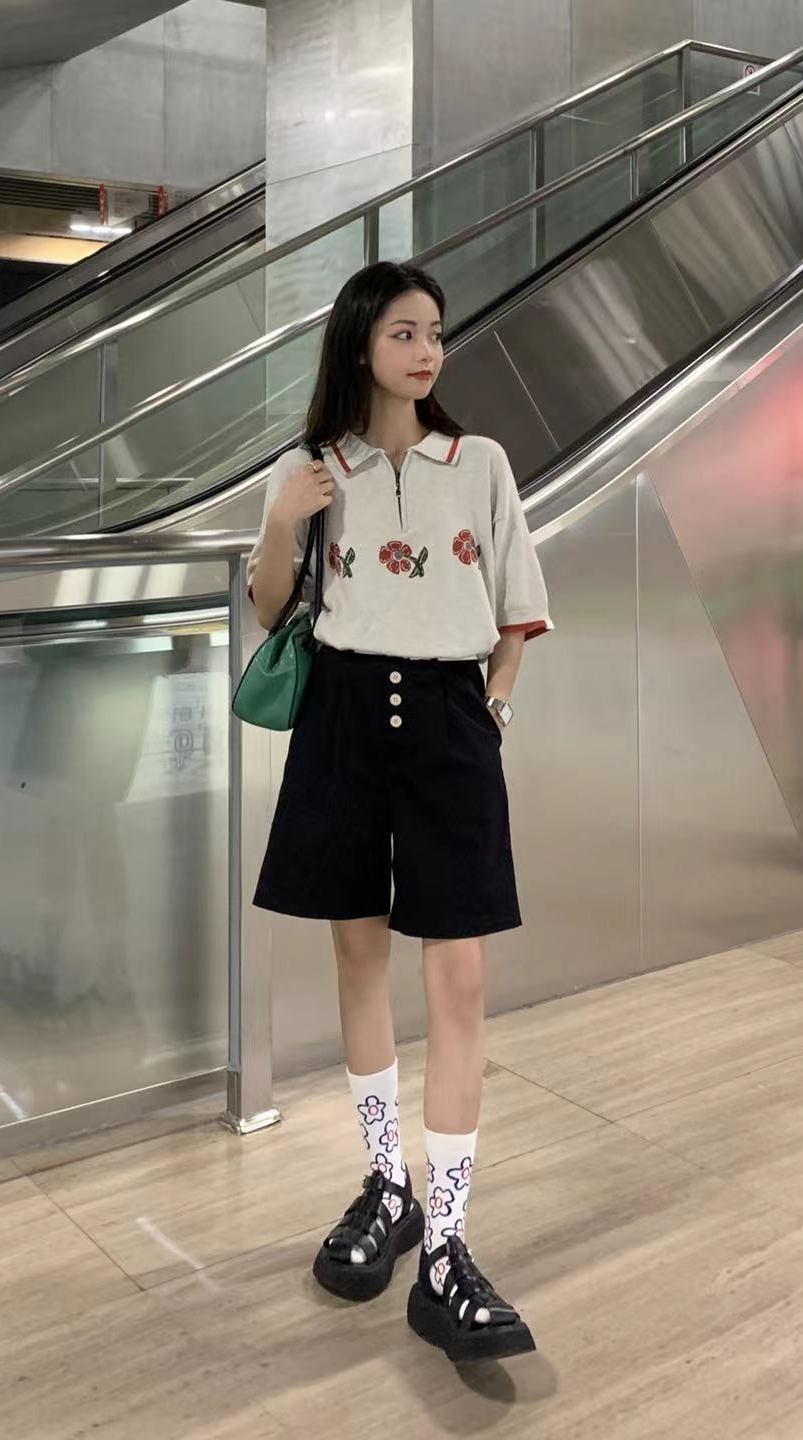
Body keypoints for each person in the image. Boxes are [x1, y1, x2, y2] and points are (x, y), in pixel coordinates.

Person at [246, 262, 553, 1365]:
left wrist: (493, 713)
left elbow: (517, 609)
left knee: (459, 978)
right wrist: (281, 518)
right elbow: (269, 608)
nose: (427, 351)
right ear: (360, 345)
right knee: (358, 959)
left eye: (435, 332)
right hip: (340, 715)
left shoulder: (481, 463)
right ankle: (388, 1185)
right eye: (405, 333)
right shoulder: (310, 470)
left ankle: (450, 1243)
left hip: (449, 722)